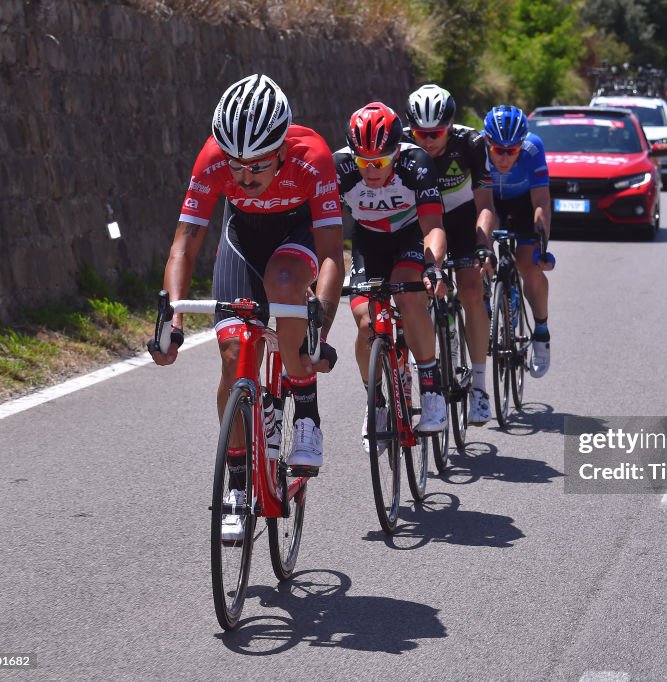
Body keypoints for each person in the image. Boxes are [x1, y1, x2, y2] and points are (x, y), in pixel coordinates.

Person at [149, 74, 345, 541]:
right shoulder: (213, 158)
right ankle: (236, 489)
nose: (245, 177)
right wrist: (172, 319)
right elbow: (185, 244)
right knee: (235, 353)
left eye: (257, 165)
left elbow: (334, 250)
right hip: (243, 238)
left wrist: (323, 330)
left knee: (283, 284)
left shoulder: (312, 157)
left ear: (281, 149)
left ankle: (307, 411)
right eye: (236, 166)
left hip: (296, 237)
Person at [334, 102, 449, 451]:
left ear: (396, 153)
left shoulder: (417, 163)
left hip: (409, 235)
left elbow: (434, 227)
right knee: (365, 322)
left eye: (380, 162)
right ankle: (376, 403)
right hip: (368, 240)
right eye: (363, 161)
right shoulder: (339, 167)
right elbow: (323, 229)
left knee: (409, 294)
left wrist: (434, 267)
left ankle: (430, 389)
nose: (370, 170)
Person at [404, 84, 496, 425]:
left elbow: (485, 205)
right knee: (411, 292)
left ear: (451, 124)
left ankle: (480, 387)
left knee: (472, 290)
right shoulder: (400, 145)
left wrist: (483, 244)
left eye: (436, 133)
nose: (427, 141)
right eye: (420, 133)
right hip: (420, 221)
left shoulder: (471, 143)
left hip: (461, 220)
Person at [483, 105, 554, 377]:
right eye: (497, 150)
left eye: (511, 151)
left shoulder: (533, 149)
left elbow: (541, 203)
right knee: (481, 253)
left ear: (521, 146)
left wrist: (541, 242)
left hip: (525, 204)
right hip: (492, 203)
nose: (503, 158)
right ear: (488, 142)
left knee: (528, 265)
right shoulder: (477, 148)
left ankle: (541, 332)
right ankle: (487, 300)